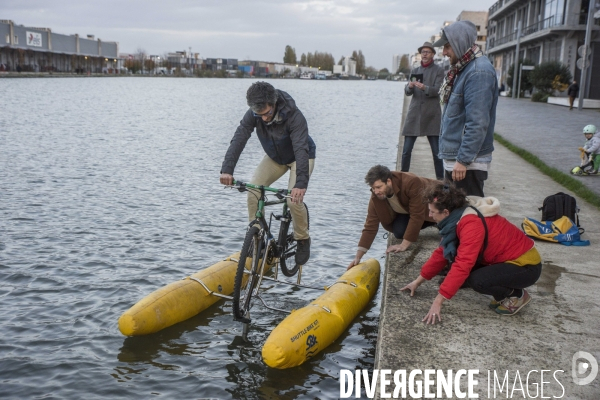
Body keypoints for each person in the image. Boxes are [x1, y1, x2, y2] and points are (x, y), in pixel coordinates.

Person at [400, 182, 542, 324]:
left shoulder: (471, 225)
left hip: (526, 267)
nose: (430, 215)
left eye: (432, 212)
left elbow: (463, 264)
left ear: (446, 212)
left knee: (478, 281)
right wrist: (417, 282)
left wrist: (438, 301)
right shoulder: (457, 218)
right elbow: (441, 253)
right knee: (454, 269)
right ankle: (504, 290)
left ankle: (516, 295)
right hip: (504, 259)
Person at [220, 81, 316, 265]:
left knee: (292, 199)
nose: (263, 119)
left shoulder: (294, 116)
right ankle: (256, 238)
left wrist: (300, 184)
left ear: (274, 104)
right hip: (275, 157)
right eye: (259, 115)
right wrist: (227, 170)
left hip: (300, 156)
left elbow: (301, 149)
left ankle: (303, 238)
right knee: (253, 193)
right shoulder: (253, 114)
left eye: (267, 114)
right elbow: (239, 138)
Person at [433, 21, 499, 197]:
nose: (444, 52)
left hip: (466, 164)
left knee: (468, 218)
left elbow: (477, 122)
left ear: (459, 43)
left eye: (447, 47)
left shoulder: (478, 72)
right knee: (455, 217)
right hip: (457, 160)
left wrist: (463, 160)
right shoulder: (463, 69)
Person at [347, 165, 437, 269]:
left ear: (389, 181)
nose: (375, 191)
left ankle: (435, 222)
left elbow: (417, 215)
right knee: (399, 232)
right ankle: (432, 222)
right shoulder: (376, 196)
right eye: (373, 188)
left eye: (378, 187)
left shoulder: (411, 182)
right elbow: (370, 226)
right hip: (408, 211)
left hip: (433, 203)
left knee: (441, 223)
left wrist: (403, 245)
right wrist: (358, 257)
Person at [401, 42, 445, 180]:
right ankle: (402, 178)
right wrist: (409, 86)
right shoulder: (415, 70)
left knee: (437, 153)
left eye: (428, 51)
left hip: (432, 115)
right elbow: (408, 92)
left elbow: (438, 90)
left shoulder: (439, 70)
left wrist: (424, 88)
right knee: (406, 151)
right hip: (414, 114)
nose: (425, 54)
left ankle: (440, 181)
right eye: (423, 51)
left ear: (433, 54)